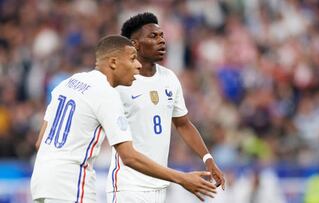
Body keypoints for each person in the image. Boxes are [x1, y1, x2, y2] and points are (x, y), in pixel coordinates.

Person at [31, 35, 217, 203]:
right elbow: (129, 157)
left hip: (41, 183)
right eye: (132, 58)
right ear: (113, 62)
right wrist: (182, 178)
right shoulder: (106, 94)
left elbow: (41, 142)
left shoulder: (68, 83)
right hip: (71, 186)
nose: (137, 65)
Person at [106, 13, 225, 203]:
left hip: (159, 186)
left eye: (162, 35)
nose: (161, 41)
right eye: (153, 37)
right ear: (135, 45)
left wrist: (207, 158)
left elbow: (183, 124)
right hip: (128, 187)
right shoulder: (119, 84)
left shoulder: (169, 78)